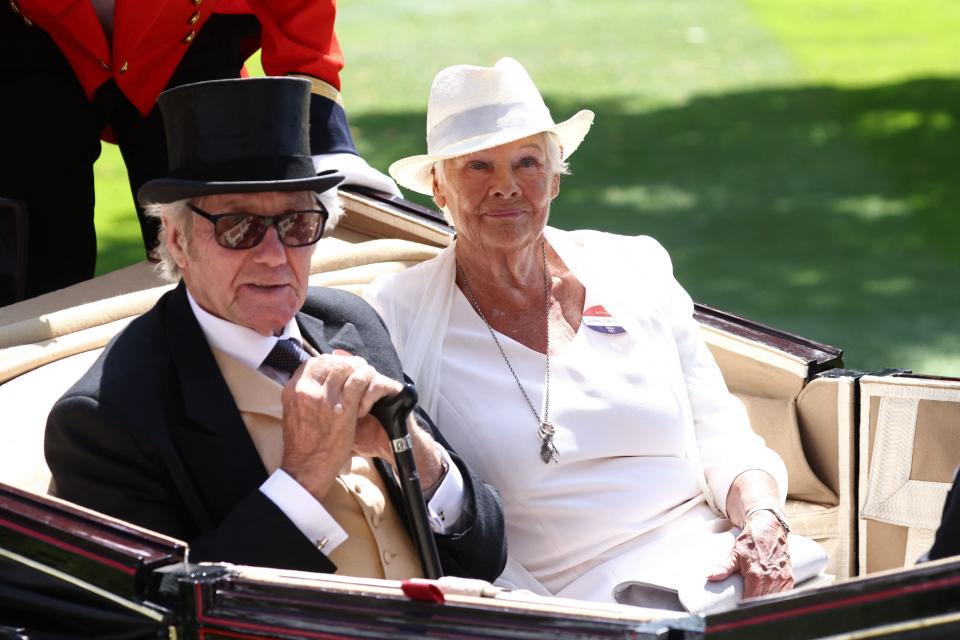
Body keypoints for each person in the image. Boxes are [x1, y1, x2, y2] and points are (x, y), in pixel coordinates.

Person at [364, 58, 794, 607]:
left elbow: (720, 430)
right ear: (438, 190)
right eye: (477, 166)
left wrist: (761, 517)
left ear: (556, 177)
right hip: (567, 602)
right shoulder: (396, 313)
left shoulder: (635, 264)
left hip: (717, 565)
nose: (506, 187)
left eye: (527, 162)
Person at [44, 76, 506, 581]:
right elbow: (154, 612)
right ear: (176, 241)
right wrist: (303, 476)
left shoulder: (347, 322)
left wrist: (411, 451)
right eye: (238, 227)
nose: (273, 256)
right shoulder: (108, 419)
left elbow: (484, 554)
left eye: (296, 225)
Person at [0, 0, 398, 303]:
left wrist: (323, 141)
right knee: (29, 266)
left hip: (187, 36)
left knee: (224, 242)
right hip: (31, 38)